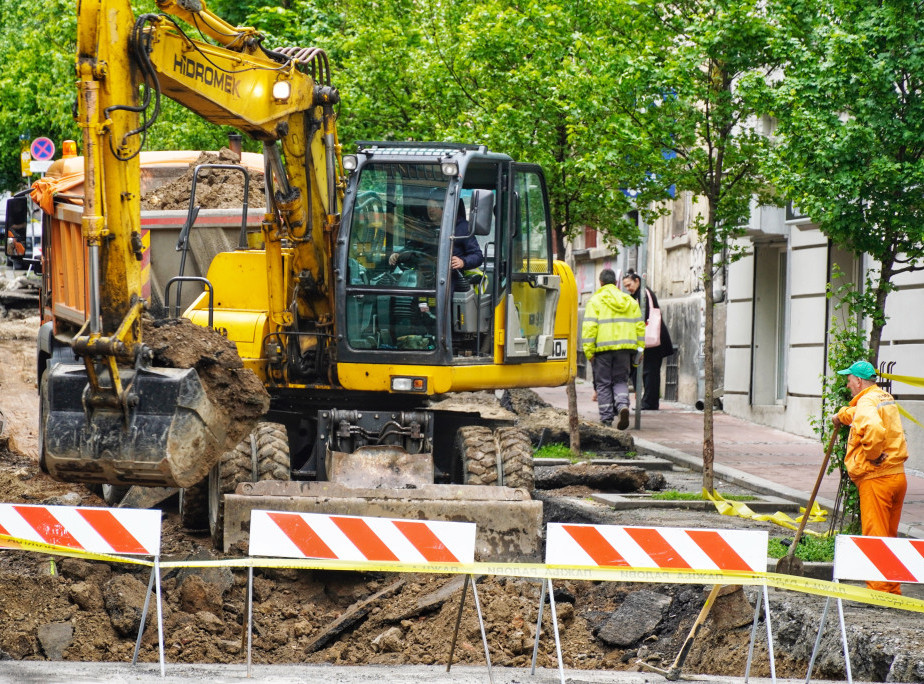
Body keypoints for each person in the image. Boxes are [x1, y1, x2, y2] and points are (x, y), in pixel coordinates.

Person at [831, 359, 908, 595]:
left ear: (858, 380)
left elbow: (872, 427)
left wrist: (872, 454)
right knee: (889, 536)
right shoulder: (883, 398)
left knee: (875, 536)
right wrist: (841, 415)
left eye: (849, 379)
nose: (847, 384)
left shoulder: (866, 401)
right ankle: (891, 589)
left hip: (876, 478)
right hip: (897, 477)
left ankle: (877, 593)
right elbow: (859, 414)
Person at [582, 268, 645, 430]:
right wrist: (640, 350)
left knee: (603, 383)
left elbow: (590, 328)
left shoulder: (595, 301)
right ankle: (623, 405)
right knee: (620, 380)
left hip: (602, 351)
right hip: (625, 350)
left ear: (600, 282)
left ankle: (606, 418)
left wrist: (589, 352)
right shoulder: (629, 301)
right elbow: (640, 327)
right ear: (616, 283)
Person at [389, 190, 483, 292]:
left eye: (435, 206)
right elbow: (411, 248)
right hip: (423, 277)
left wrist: (462, 262)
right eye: (429, 206)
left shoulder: (462, 227)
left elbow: (477, 256)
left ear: (446, 207)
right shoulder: (422, 227)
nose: (431, 209)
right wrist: (398, 254)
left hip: (450, 279)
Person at [622, 269, 675, 410]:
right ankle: (649, 401)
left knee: (650, 371)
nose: (628, 289)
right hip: (653, 339)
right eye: (625, 286)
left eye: (629, 285)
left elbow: (642, 316)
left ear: (637, 280)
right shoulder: (640, 293)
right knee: (649, 371)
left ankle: (649, 403)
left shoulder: (643, 294)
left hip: (653, 339)